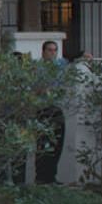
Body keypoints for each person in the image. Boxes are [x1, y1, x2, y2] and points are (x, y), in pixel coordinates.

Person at [35, 40, 69, 184]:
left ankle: (51, 177)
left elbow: (72, 58)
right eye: (50, 50)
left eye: (55, 50)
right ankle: (42, 178)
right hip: (43, 109)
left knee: (56, 144)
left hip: (56, 109)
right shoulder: (37, 68)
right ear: (43, 52)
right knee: (43, 144)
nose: (52, 53)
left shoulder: (60, 65)